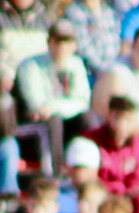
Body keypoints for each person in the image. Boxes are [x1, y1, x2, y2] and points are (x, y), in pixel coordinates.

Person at [17, 20, 91, 170]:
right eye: (57, 42)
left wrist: (54, 106)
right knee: (53, 120)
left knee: (88, 119)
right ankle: (54, 174)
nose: (61, 48)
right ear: (49, 43)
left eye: (66, 42)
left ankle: (86, 171)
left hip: (61, 118)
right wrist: (59, 107)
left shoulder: (76, 64)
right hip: (30, 126)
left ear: (74, 46)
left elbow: (83, 101)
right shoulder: (31, 65)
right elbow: (37, 105)